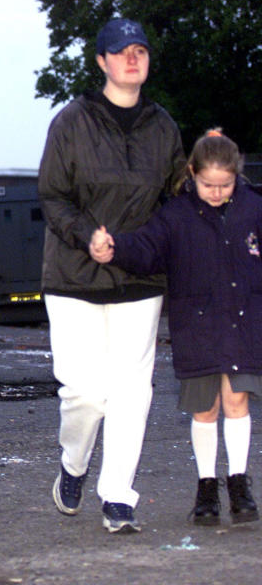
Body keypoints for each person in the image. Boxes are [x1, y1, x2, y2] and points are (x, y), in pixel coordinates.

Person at [39, 18, 186, 534]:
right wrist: (87, 235)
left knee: (132, 389)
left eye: (140, 50)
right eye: (121, 51)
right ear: (101, 61)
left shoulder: (164, 127)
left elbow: (177, 199)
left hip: (139, 278)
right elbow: (52, 195)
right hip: (74, 276)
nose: (132, 59)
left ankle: (118, 494)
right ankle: (73, 464)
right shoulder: (71, 122)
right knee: (84, 392)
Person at [89, 129, 261, 527]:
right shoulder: (176, 216)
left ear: (238, 175)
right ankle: (206, 487)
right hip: (196, 326)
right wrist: (114, 248)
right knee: (205, 408)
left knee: (237, 402)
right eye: (207, 185)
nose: (216, 192)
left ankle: (238, 483)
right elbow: (147, 248)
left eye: (225, 184)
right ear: (192, 174)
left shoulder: (254, 208)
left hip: (244, 323)